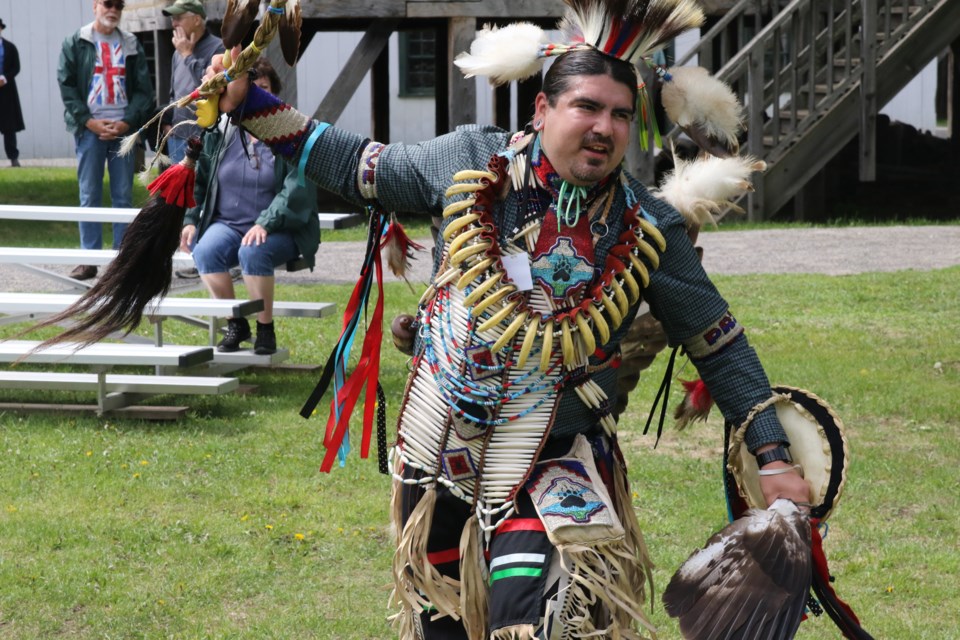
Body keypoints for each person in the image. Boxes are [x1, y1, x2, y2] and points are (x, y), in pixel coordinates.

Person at [206, 3, 810, 637]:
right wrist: (250, 107)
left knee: (537, 622)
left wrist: (771, 456)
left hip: (557, 457)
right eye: (587, 107)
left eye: (621, 114)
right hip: (445, 451)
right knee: (443, 621)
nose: (605, 127)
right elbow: (363, 167)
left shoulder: (648, 229)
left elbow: (719, 342)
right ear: (542, 109)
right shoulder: (469, 163)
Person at [179, 58, 318, 355]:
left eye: (262, 89)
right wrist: (190, 219)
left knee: (252, 250)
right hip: (229, 223)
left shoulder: (290, 135)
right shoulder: (220, 134)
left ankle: (265, 328)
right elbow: (198, 182)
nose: (254, 96)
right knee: (204, 250)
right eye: (248, 88)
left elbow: (296, 190)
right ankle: (236, 322)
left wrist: (265, 223)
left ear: (273, 95)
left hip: (280, 227)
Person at [57, 0, 154, 281]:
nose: (113, 10)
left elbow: (144, 91)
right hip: (90, 130)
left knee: (123, 195)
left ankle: (121, 259)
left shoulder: (131, 43)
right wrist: (88, 120)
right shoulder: (77, 41)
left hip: (122, 129)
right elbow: (67, 85)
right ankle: (88, 260)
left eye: (119, 6)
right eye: (108, 4)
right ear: (95, 6)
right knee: (89, 194)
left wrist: (127, 121)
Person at [160, 0, 224, 164]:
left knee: (201, 190)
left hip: (204, 140)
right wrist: (169, 125)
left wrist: (188, 55)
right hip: (177, 137)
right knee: (178, 190)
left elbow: (211, 88)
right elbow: (174, 92)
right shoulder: (178, 52)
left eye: (178, 18)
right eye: (172, 19)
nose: (173, 23)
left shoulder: (218, 49)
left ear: (196, 20)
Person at [0, 18, 24, 168]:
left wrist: (4, 78)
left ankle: (13, 158)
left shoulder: (10, 47)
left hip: (6, 90)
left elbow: (16, 67)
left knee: (8, 126)